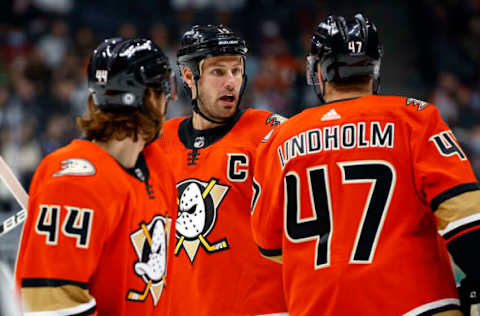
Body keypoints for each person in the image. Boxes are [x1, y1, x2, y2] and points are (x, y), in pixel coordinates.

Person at [251, 13, 480, 316]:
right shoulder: (414, 118)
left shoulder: (278, 140)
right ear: (374, 67)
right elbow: (466, 219)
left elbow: (269, 245)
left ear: (318, 71)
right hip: (416, 305)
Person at [15, 37, 178, 316]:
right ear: (151, 98)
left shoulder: (157, 166)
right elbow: (52, 305)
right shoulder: (73, 181)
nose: (168, 101)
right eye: (164, 91)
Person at [145, 24, 287, 315]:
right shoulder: (156, 143)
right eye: (218, 72)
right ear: (188, 76)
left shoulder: (273, 135)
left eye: (236, 71)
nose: (231, 82)